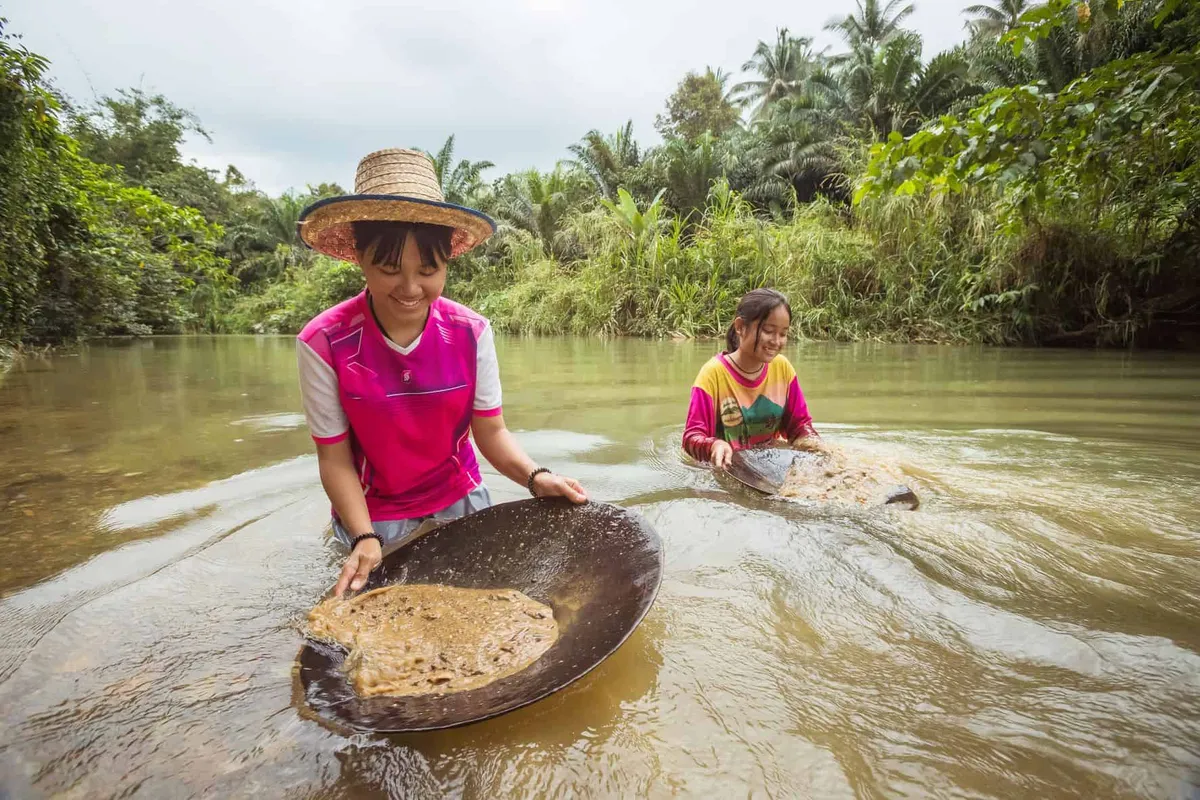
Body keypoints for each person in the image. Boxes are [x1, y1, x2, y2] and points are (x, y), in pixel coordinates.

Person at [295, 148, 587, 597]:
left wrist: (536, 477)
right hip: (374, 514)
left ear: (447, 262)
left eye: (428, 270)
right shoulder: (323, 342)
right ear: (360, 257)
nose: (411, 288)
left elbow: (491, 432)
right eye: (389, 269)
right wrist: (364, 536)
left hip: (459, 498)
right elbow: (333, 459)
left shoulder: (472, 332)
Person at [682, 288, 821, 470]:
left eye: (783, 334)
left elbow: (799, 426)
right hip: (728, 468)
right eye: (768, 331)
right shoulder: (712, 375)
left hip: (770, 465)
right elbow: (691, 437)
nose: (776, 341)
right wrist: (714, 445)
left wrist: (816, 446)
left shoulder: (783, 368)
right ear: (740, 327)